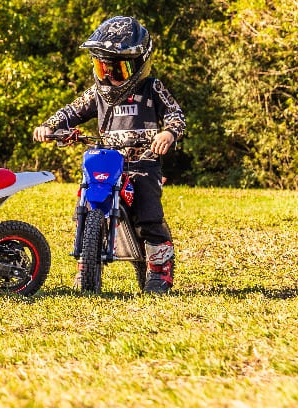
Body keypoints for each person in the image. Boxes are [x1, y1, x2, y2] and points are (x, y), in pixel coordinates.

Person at [33, 15, 186, 294]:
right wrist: (50, 126)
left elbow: (175, 114)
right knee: (86, 205)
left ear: (139, 64)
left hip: (143, 163)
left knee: (148, 214)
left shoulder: (152, 88)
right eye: (102, 68)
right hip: (107, 161)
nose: (109, 77)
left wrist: (168, 133)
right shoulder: (98, 93)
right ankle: (85, 265)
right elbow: (71, 111)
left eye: (118, 70)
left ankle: (159, 269)